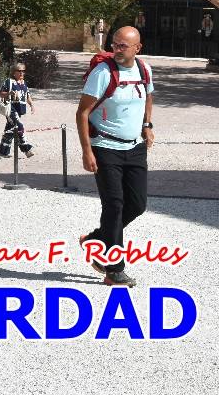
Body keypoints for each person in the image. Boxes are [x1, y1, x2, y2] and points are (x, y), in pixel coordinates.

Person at [75, 25, 154, 288]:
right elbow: (82, 113)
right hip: (105, 147)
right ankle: (114, 269)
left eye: (123, 46)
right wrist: (87, 151)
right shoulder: (102, 72)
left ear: (137, 48)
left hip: (134, 148)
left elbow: (148, 96)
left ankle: (95, 240)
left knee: (137, 204)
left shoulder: (144, 69)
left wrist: (147, 125)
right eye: (115, 45)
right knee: (115, 205)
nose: (117, 50)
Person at [0, 63, 35, 158]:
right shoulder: (9, 82)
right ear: (14, 73)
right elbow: (1, 94)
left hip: (20, 110)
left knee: (10, 129)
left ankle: (3, 151)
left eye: (23, 71)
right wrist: (9, 93)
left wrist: (31, 105)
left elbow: (27, 96)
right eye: (19, 71)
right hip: (11, 109)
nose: (22, 73)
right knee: (20, 126)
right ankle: (26, 149)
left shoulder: (24, 83)